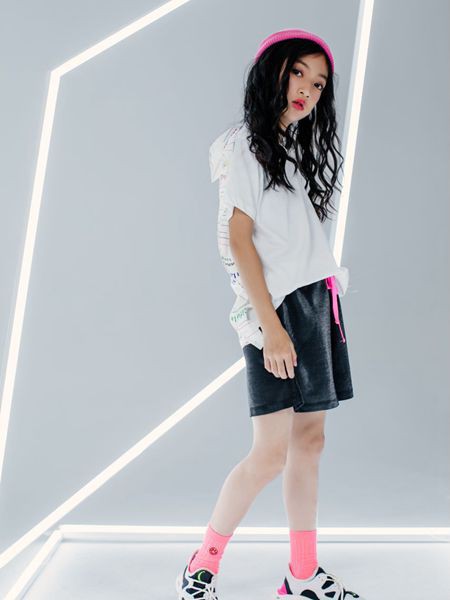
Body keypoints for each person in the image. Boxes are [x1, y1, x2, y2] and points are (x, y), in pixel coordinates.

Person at [175, 28, 364, 600]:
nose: (308, 88)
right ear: (273, 71)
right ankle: (202, 565)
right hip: (277, 310)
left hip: (315, 302)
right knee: (270, 452)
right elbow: (238, 240)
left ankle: (302, 574)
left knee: (310, 443)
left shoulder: (288, 148)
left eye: (319, 82)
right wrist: (273, 329)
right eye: (298, 72)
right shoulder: (245, 145)